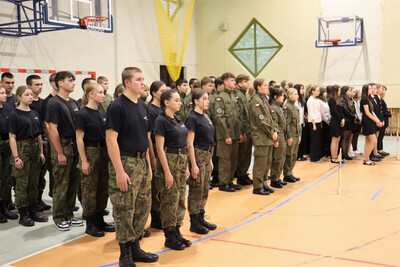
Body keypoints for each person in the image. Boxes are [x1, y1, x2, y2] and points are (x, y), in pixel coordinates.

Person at [106, 67, 158, 266]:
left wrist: (148, 163)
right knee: (124, 208)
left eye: (143, 79)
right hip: (125, 161)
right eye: (138, 79)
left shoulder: (142, 106)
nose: (142, 83)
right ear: (127, 83)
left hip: (141, 161)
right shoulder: (117, 106)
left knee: (142, 206)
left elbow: (145, 137)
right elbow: (111, 140)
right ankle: (125, 253)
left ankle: (136, 247)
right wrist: (119, 171)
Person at [76, 83, 115, 237]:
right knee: (89, 190)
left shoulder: (102, 112)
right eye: (99, 92)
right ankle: (90, 222)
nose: (103, 95)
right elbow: (79, 138)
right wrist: (84, 160)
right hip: (90, 150)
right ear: (90, 94)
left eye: (103, 92)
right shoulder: (83, 113)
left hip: (103, 151)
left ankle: (99, 218)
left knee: (102, 187)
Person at [154, 89, 191, 250]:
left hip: (181, 161)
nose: (180, 102)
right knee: (170, 199)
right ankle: (169, 234)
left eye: (179, 100)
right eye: (176, 100)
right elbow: (160, 148)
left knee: (180, 198)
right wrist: (167, 171)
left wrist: (187, 166)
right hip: (170, 162)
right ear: (166, 102)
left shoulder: (177, 119)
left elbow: (185, 144)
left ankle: (177, 230)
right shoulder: (161, 121)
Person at [46, 71, 84, 231]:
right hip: (63, 144)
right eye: (70, 80)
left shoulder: (74, 102)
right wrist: (60, 152)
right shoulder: (54, 103)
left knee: (73, 181)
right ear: (60, 83)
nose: (73, 83)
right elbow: (52, 129)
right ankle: (59, 216)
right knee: (61, 182)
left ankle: (68, 214)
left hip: (74, 144)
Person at [8, 85, 47, 226]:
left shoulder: (34, 113)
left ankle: (32, 209)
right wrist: (16, 157)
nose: (30, 97)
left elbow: (38, 136)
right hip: (22, 148)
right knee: (22, 183)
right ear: (19, 97)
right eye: (27, 95)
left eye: (31, 95)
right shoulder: (14, 114)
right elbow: (12, 137)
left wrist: (41, 152)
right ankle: (23, 213)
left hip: (35, 149)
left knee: (33, 182)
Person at [186, 88, 217, 234]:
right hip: (198, 155)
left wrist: (210, 160)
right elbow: (189, 143)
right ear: (196, 101)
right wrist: (193, 164)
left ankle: (201, 217)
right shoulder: (192, 118)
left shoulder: (205, 116)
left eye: (207, 98)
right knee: (196, 189)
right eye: (204, 98)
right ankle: (194, 221)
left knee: (204, 189)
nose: (207, 101)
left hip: (207, 155)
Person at [214, 72, 244, 192]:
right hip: (225, 135)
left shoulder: (233, 97)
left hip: (235, 134)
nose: (234, 82)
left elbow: (237, 117)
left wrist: (240, 133)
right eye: (232, 80)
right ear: (225, 82)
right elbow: (220, 119)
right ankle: (223, 183)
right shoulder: (220, 98)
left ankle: (230, 181)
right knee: (225, 160)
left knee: (233, 159)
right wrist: (226, 135)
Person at [26, 75, 52, 211]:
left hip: (42, 139)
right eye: (37, 85)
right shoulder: (27, 104)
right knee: (32, 175)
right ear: (29, 86)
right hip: (29, 141)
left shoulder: (43, 103)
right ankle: (30, 202)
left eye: (41, 84)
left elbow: (45, 123)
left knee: (42, 173)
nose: (40, 87)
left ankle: (39, 198)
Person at [249, 78, 278, 194]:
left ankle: (264, 183)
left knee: (267, 162)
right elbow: (261, 121)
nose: (267, 87)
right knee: (260, 163)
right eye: (265, 85)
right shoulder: (256, 101)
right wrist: (272, 132)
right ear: (258, 87)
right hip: (261, 137)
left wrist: (275, 130)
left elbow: (271, 118)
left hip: (268, 137)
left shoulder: (264, 100)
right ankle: (257, 186)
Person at [147, 81, 167, 230]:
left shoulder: (163, 108)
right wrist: (152, 156)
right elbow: (149, 136)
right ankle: (155, 216)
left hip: (165, 147)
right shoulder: (151, 110)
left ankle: (162, 213)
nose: (164, 93)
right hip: (155, 146)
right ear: (154, 93)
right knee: (155, 185)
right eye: (161, 91)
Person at [270, 86, 294, 186]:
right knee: (277, 158)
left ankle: (278, 177)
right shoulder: (273, 108)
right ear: (275, 97)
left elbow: (285, 124)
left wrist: (288, 136)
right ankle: (274, 179)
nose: (283, 98)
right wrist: (276, 140)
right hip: (278, 135)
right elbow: (274, 124)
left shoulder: (279, 107)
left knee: (282, 157)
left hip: (283, 135)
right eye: (282, 96)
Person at [0, 85, 18, 223]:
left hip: (6, 145)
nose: (5, 95)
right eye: (1, 93)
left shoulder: (7, 108)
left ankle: (5, 206)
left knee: (6, 178)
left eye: (5, 93)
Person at [42, 73, 58, 198]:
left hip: (64, 141)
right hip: (51, 141)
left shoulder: (67, 101)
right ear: (52, 84)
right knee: (52, 170)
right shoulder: (48, 102)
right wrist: (51, 140)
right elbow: (46, 124)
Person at [234, 74, 252, 185]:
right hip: (243, 130)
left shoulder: (246, 95)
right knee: (242, 154)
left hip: (248, 129)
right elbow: (239, 116)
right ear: (239, 83)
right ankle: (240, 174)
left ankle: (244, 173)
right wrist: (242, 132)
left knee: (247, 154)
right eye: (245, 82)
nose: (248, 84)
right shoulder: (238, 96)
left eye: (248, 82)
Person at [283, 88, 302, 183]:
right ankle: (286, 174)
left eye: (297, 94)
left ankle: (290, 172)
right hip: (291, 135)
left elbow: (297, 122)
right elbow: (286, 124)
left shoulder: (295, 107)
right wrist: (288, 136)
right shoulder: (287, 107)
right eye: (294, 94)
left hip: (296, 134)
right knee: (289, 155)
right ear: (289, 95)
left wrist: (299, 134)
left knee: (294, 155)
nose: (297, 95)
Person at [360, 84, 382, 165]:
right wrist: (376, 120)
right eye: (369, 89)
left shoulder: (369, 99)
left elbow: (372, 111)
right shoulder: (364, 99)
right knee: (373, 141)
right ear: (365, 90)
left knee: (368, 141)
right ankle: (366, 159)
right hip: (367, 121)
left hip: (370, 121)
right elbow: (367, 112)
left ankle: (367, 158)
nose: (371, 90)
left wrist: (377, 120)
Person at [307, 85, 323, 162]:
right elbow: (311, 113)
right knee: (314, 141)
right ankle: (313, 158)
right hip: (313, 122)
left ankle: (317, 156)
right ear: (313, 91)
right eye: (317, 90)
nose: (318, 92)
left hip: (318, 121)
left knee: (318, 140)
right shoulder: (310, 100)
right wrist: (313, 124)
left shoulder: (316, 100)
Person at [328, 85, 344, 163]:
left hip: (339, 121)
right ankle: (333, 157)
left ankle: (336, 155)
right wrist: (340, 119)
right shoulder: (332, 100)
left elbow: (341, 111)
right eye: (339, 90)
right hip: (335, 121)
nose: (340, 92)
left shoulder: (338, 100)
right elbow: (334, 112)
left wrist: (343, 119)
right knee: (334, 139)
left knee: (338, 139)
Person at [341, 86, 357, 160]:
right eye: (349, 91)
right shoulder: (342, 99)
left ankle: (346, 152)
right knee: (345, 138)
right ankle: (344, 154)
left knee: (348, 138)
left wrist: (355, 116)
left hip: (351, 121)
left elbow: (352, 109)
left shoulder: (349, 99)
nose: (350, 92)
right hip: (347, 120)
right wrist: (353, 116)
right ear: (345, 91)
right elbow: (345, 110)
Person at [370, 83, 384, 161]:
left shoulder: (375, 98)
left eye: (376, 88)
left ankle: (375, 153)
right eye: (374, 88)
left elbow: (379, 111)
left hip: (377, 120)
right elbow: (372, 111)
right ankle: (372, 154)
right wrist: (377, 121)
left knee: (376, 138)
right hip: (373, 121)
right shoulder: (370, 99)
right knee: (372, 139)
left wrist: (381, 120)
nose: (376, 90)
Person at [377, 85, 391, 156]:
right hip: (381, 120)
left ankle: (380, 149)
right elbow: (381, 111)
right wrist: (389, 114)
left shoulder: (381, 99)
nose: (383, 91)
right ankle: (379, 150)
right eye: (382, 89)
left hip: (383, 120)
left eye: (384, 89)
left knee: (381, 136)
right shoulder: (378, 99)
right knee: (379, 136)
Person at [294, 84, 307, 161]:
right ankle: (298, 155)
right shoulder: (295, 101)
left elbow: (302, 112)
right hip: (297, 123)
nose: (303, 90)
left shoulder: (301, 100)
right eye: (301, 89)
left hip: (302, 122)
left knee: (302, 139)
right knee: (298, 140)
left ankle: (301, 154)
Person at [318, 87, 331, 158]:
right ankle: (323, 152)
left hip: (328, 120)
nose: (326, 93)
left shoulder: (325, 100)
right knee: (324, 138)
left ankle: (327, 152)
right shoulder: (319, 101)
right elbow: (322, 113)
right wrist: (326, 120)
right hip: (324, 121)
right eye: (324, 92)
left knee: (328, 138)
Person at [351, 89, 363, 155]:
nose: (360, 95)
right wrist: (357, 119)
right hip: (355, 120)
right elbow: (355, 111)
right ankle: (353, 149)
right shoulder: (353, 101)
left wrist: (361, 118)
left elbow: (360, 111)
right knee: (353, 135)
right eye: (359, 93)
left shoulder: (359, 101)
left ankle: (355, 148)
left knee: (357, 135)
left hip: (360, 118)